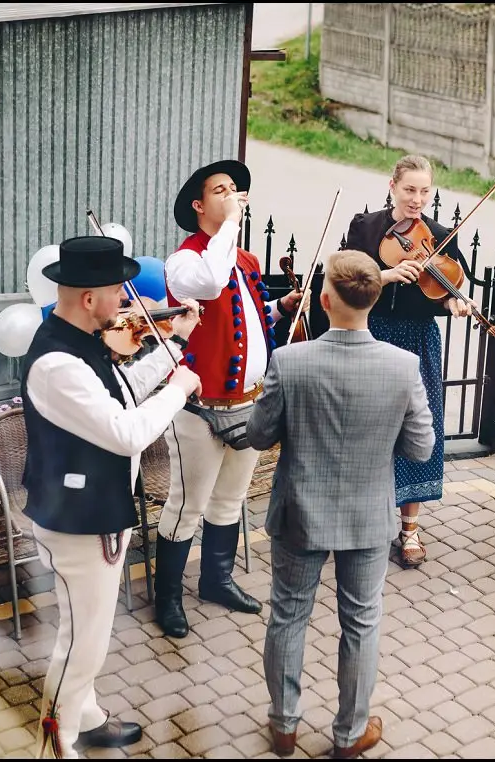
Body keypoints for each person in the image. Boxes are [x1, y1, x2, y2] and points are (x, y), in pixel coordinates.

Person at [246, 250, 434, 759]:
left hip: (300, 511)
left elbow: (259, 435)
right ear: (372, 300)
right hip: (368, 514)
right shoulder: (403, 366)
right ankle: (350, 734)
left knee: (287, 615)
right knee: (361, 621)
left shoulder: (289, 360)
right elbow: (420, 448)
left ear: (325, 300)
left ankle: (283, 727)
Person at [20, 235, 203, 758]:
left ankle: (89, 717)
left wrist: (176, 347)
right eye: (116, 292)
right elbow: (126, 432)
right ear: (87, 299)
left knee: (87, 633)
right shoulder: (58, 364)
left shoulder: (80, 341)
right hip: (78, 521)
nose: (127, 300)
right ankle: (52, 745)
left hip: (96, 509)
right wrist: (179, 389)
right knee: (81, 644)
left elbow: (121, 392)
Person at [153, 159, 304, 639]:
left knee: (229, 501)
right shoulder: (186, 261)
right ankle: (168, 597)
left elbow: (252, 328)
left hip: (249, 403)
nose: (233, 194)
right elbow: (211, 284)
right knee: (186, 505)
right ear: (199, 206)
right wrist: (232, 225)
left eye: (236, 189)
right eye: (221, 190)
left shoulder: (247, 262)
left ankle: (216, 580)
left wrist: (280, 308)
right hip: (200, 409)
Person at [343, 154, 474, 567]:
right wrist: (381, 277)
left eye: (424, 191)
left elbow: (451, 288)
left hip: (417, 340)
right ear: (392, 186)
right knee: (367, 428)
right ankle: (360, 520)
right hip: (372, 335)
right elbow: (342, 278)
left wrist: (455, 304)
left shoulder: (440, 236)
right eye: (409, 190)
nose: (417, 199)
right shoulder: (364, 229)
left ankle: (410, 529)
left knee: (419, 426)